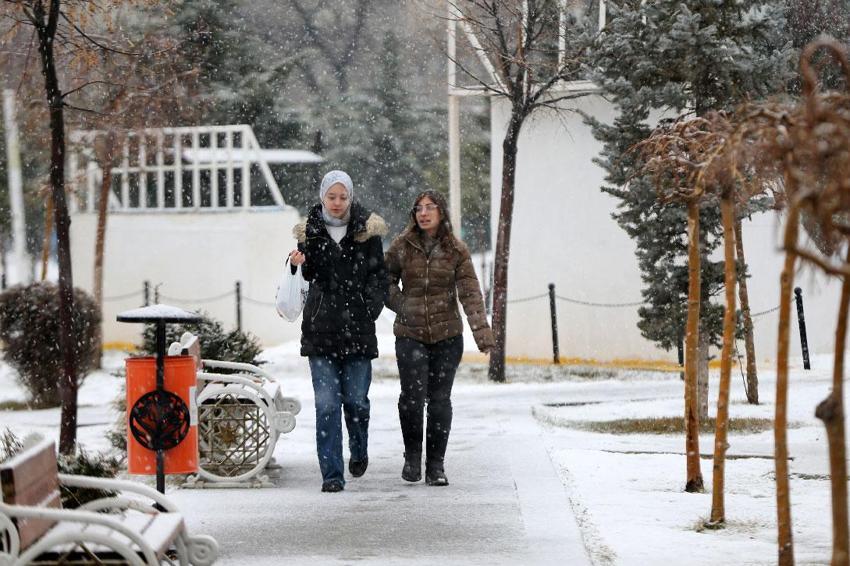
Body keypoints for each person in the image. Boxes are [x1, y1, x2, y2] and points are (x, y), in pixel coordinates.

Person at [384, 190, 495, 486]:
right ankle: (412, 457)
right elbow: (384, 280)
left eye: (429, 207)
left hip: (447, 336)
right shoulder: (401, 246)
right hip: (410, 334)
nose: (423, 213)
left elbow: (470, 293)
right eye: (418, 208)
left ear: (441, 213)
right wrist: (401, 303)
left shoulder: (456, 250)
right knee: (411, 398)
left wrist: (482, 335)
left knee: (439, 400)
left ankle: (436, 466)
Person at [289, 170, 388, 493]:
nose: (336, 202)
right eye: (331, 196)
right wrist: (299, 263)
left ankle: (358, 450)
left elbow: (379, 277)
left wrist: (367, 309)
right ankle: (332, 473)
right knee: (327, 404)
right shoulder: (310, 233)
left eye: (342, 196)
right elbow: (307, 277)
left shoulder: (367, 232)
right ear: (322, 197)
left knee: (357, 402)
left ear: (350, 197)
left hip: (358, 330)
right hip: (320, 330)